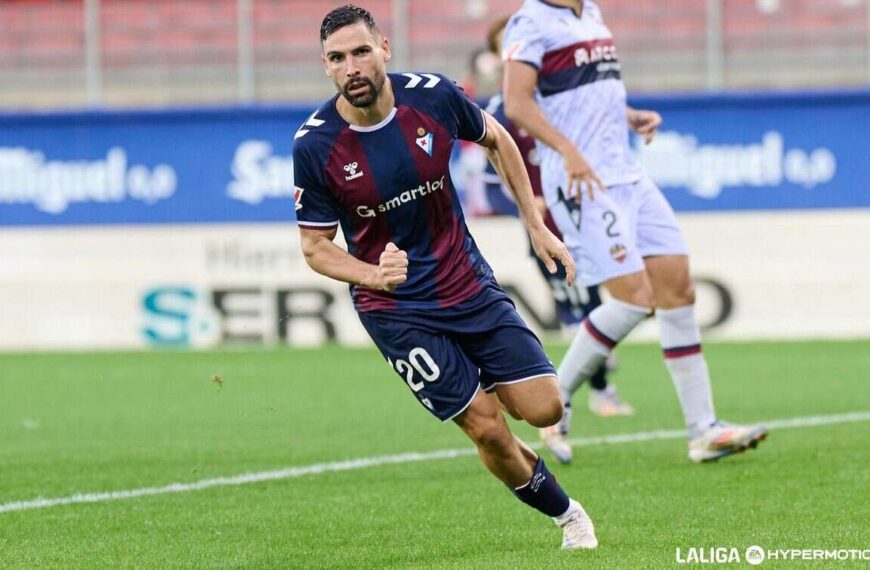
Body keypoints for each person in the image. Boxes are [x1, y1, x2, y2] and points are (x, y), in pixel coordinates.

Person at [293, 5, 596, 549]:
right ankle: (568, 515)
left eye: (361, 51)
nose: (352, 67)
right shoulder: (315, 146)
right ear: (325, 66)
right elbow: (315, 248)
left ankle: (486, 384)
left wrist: (535, 226)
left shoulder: (432, 96)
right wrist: (373, 275)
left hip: (467, 284)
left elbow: (499, 140)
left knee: (545, 407)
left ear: (384, 48)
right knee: (487, 429)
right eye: (337, 59)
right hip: (396, 310)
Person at [501, 0, 768, 463]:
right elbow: (516, 103)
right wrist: (567, 150)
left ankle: (703, 431)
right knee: (631, 299)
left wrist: (628, 116)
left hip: (626, 171)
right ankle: (556, 404)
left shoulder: (592, 12)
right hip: (581, 178)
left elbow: (587, 91)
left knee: (678, 289)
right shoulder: (531, 20)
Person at [481, 17, 634, 437]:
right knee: (580, 313)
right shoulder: (499, 114)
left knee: (603, 308)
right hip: (550, 237)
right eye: (504, 48)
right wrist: (530, 205)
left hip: (586, 225)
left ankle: (594, 386)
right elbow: (493, 189)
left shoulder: (557, 103)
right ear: (498, 59)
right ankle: (577, 400)